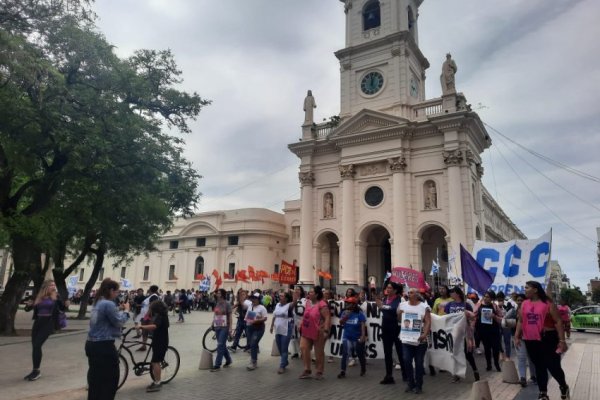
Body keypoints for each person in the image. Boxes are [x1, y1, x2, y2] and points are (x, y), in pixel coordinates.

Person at [515, 281, 570, 400]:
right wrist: (516, 336)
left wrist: (562, 340)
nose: (525, 289)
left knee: (553, 367)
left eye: (527, 287)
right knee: (539, 367)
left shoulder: (548, 303)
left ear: (535, 289)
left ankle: (563, 386)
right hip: (531, 340)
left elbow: (558, 321)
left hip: (548, 339)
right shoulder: (524, 304)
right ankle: (543, 393)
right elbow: (520, 320)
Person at [86, 278, 130, 400]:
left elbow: (106, 317)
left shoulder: (98, 302)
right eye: (117, 292)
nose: (117, 295)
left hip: (91, 344)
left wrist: (119, 309)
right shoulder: (108, 304)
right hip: (104, 346)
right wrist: (126, 310)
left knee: (95, 380)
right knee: (110, 381)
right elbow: (119, 322)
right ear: (111, 290)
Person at [24, 280, 69, 381]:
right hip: (38, 323)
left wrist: (66, 304)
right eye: (51, 285)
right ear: (46, 287)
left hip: (48, 323)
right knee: (35, 347)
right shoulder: (39, 297)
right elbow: (28, 309)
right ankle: (34, 370)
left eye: (54, 285)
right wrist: (29, 305)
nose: (53, 287)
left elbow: (62, 308)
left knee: (37, 345)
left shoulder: (56, 297)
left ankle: (37, 371)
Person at [399, 287, 432, 395]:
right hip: (406, 339)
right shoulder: (403, 305)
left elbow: (427, 322)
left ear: (417, 294)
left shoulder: (424, 307)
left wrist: (424, 334)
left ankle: (418, 386)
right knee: (406, 360)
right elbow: (399, 319)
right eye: (408, 292)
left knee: (418, 363)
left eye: (412, 292)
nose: (409, 294)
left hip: (420, 341)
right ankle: (410, 383)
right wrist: (399, 313)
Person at [445, 286, 480, 382]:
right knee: (454, 353)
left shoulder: (466, 304)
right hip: (453, 333)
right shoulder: (449, 305)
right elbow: (446, 317)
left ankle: (475, 370)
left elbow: (473, 318)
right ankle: (456, 374)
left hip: (464, 334)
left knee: (468, 354)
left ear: (457, 293)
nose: (450, 294)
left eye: (452, 292)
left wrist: (467, 315)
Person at [376, 282, 406, 384]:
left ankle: (405, 374)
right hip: (386, 328)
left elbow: (396, 311)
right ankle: (389, 376)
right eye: (387, 287)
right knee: (387, 353)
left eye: (390, 288)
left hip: (397, 329)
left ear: (395, 290)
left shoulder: (400, 299)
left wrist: (383, 307)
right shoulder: (385, 299)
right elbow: (383, 311)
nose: (387, 289)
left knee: (400, 352)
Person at [299, 286, 330, 380]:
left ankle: (319, 371)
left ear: (316, 294)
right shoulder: (308, 303)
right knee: (303, 348)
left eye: (311, 292)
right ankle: (307, 370)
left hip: (318, 331)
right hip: (306, 330)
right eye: (309, 292)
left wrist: (325, 330)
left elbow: (327, 317)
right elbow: (305, 315)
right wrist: (300, 324)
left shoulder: (322, 304)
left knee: (318, 352)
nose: (309, 294)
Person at [137, 299, 169, 392]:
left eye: (152, 308)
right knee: (154, 361)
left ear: (156, 308)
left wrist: (142, 327)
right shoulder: (161, 315)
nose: (151, 310)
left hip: (161, 342)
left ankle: (158, 383)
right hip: (157, 340)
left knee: (155, 362)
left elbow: (154, 326)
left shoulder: (161, 317)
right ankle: (156, 380)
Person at [510, 293, 536, 387]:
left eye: (522, 300)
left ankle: (533, 376)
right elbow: (504, 320)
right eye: (518, 300)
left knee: (532, 358)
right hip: (519, 338)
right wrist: (512, 323)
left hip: (531, 338)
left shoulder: (531, 309)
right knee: (521, 358)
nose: (520, 302)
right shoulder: (513, 311)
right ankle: (523, 378)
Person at [337, 296, 366, 379]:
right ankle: (343, 371)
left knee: (360, 354)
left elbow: (363, 326)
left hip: (357, 337)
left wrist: (363, 336)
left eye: (349, 303)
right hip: (347, 336)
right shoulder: (344, 312)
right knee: (345, 353)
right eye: (346, 303)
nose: (346, 304)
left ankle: (363, 368)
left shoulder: (360, 314)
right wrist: (346, 316)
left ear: (353, 305)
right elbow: (341, 323)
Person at [474, 290, 503, 372]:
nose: (486, 298)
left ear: (492, 298)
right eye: (485, 296)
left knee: (496, 349)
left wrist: (494, 317)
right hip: (483, 331)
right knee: (487, 349)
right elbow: (474, 315)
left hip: (494, 331)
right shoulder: (479, 305)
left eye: (488, 297)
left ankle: (497, 364)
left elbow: (501, 319)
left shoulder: (495, 306)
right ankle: (489, 365)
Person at [270, 290, 294, 373]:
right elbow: (274, 316)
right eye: (280, 296)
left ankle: (282, 366)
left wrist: (295, 294)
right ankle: (285, 361)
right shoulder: (277, 305)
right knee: (280, 347)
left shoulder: (289, 305)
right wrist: (271, 326)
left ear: (286, 299)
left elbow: (294, 302)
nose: (280, 297)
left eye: (282, 296)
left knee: (284, 348)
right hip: (278, 329)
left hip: (286, 329)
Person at [210, 289, 233, 371]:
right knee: (222, 345)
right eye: (217, 293)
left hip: (224, 326)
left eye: (219, 293)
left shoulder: (227, 304)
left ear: (222, 294)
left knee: (220, 345)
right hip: (217, 325)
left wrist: (230, 327)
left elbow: (230, 316)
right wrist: (212, 323)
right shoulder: (217, 303)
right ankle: (229, 360)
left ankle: (217, 365)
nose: (217, 294)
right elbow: (215, 314)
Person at [245, 292, 268, 370]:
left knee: (253, 344)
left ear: (259, 299)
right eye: (252, 298)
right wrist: (248, 321)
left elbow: (265, 318)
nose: (253, 300)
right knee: (251, 344)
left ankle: (253, 362)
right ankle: (253, 360)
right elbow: (249, 317)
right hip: (250, 328)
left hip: (259, 328)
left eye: (255, 298)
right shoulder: (250, 306)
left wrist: (258, 320)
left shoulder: (262, 308)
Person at [290, 285, 305, 359]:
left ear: (301, 291)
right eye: (295, 289)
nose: (296, 290)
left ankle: (302, 351)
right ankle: (295, 352)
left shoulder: (305, 300)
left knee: (301, 337)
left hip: (301, 321)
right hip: (293, 321)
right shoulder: (291, 300)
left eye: (298, 289)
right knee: (293, 337)